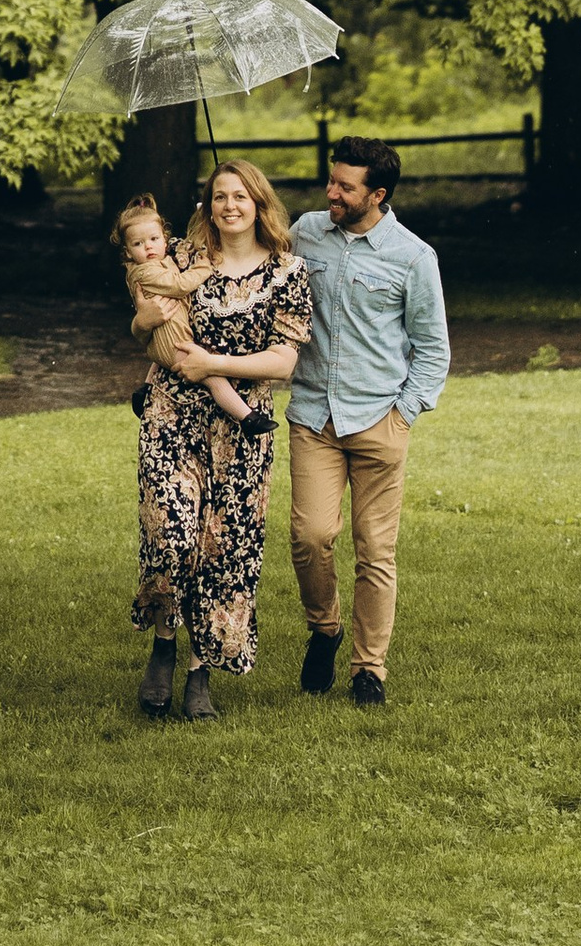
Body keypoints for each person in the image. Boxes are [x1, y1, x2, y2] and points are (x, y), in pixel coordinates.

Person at [129, 159, 313, 722]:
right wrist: (142, 321)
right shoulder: (181, 256)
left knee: (221, 548)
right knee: (173, 532)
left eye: (240, 196)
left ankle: (198, 671)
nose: (228, 205)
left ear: (260, 203)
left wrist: (214, 362)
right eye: (219, 196)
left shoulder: (287, 271)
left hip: (241, 426)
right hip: (172, 415)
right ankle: (164, 643)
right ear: (208, 204)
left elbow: (284, 360)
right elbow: (145, 326)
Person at [289, 135, 450, 712]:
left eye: (344, 187)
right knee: (310, 538)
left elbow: (433, 350)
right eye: (331, 181)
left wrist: (404, 415)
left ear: (376, 194)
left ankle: (369, 670)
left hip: (379, 420)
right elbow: (253, 275)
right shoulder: (304, 234)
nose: (331, 192)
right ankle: (325, 628)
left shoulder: (413, 257)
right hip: (313, 415)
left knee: (376, 550)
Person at [109, 194, 255, 421]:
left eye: (154, 239)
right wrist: (204, 267)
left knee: (165, 354)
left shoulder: (162, 258)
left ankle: (145, 390)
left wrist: (202, 215)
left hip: (168, 334)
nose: (148, 246)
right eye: (138, 243)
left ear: (164, 239)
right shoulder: (145, 271)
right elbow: (179, 285)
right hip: (172, 337)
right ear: (127, 251)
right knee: (212, 377)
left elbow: (192, 241)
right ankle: (247, 417)